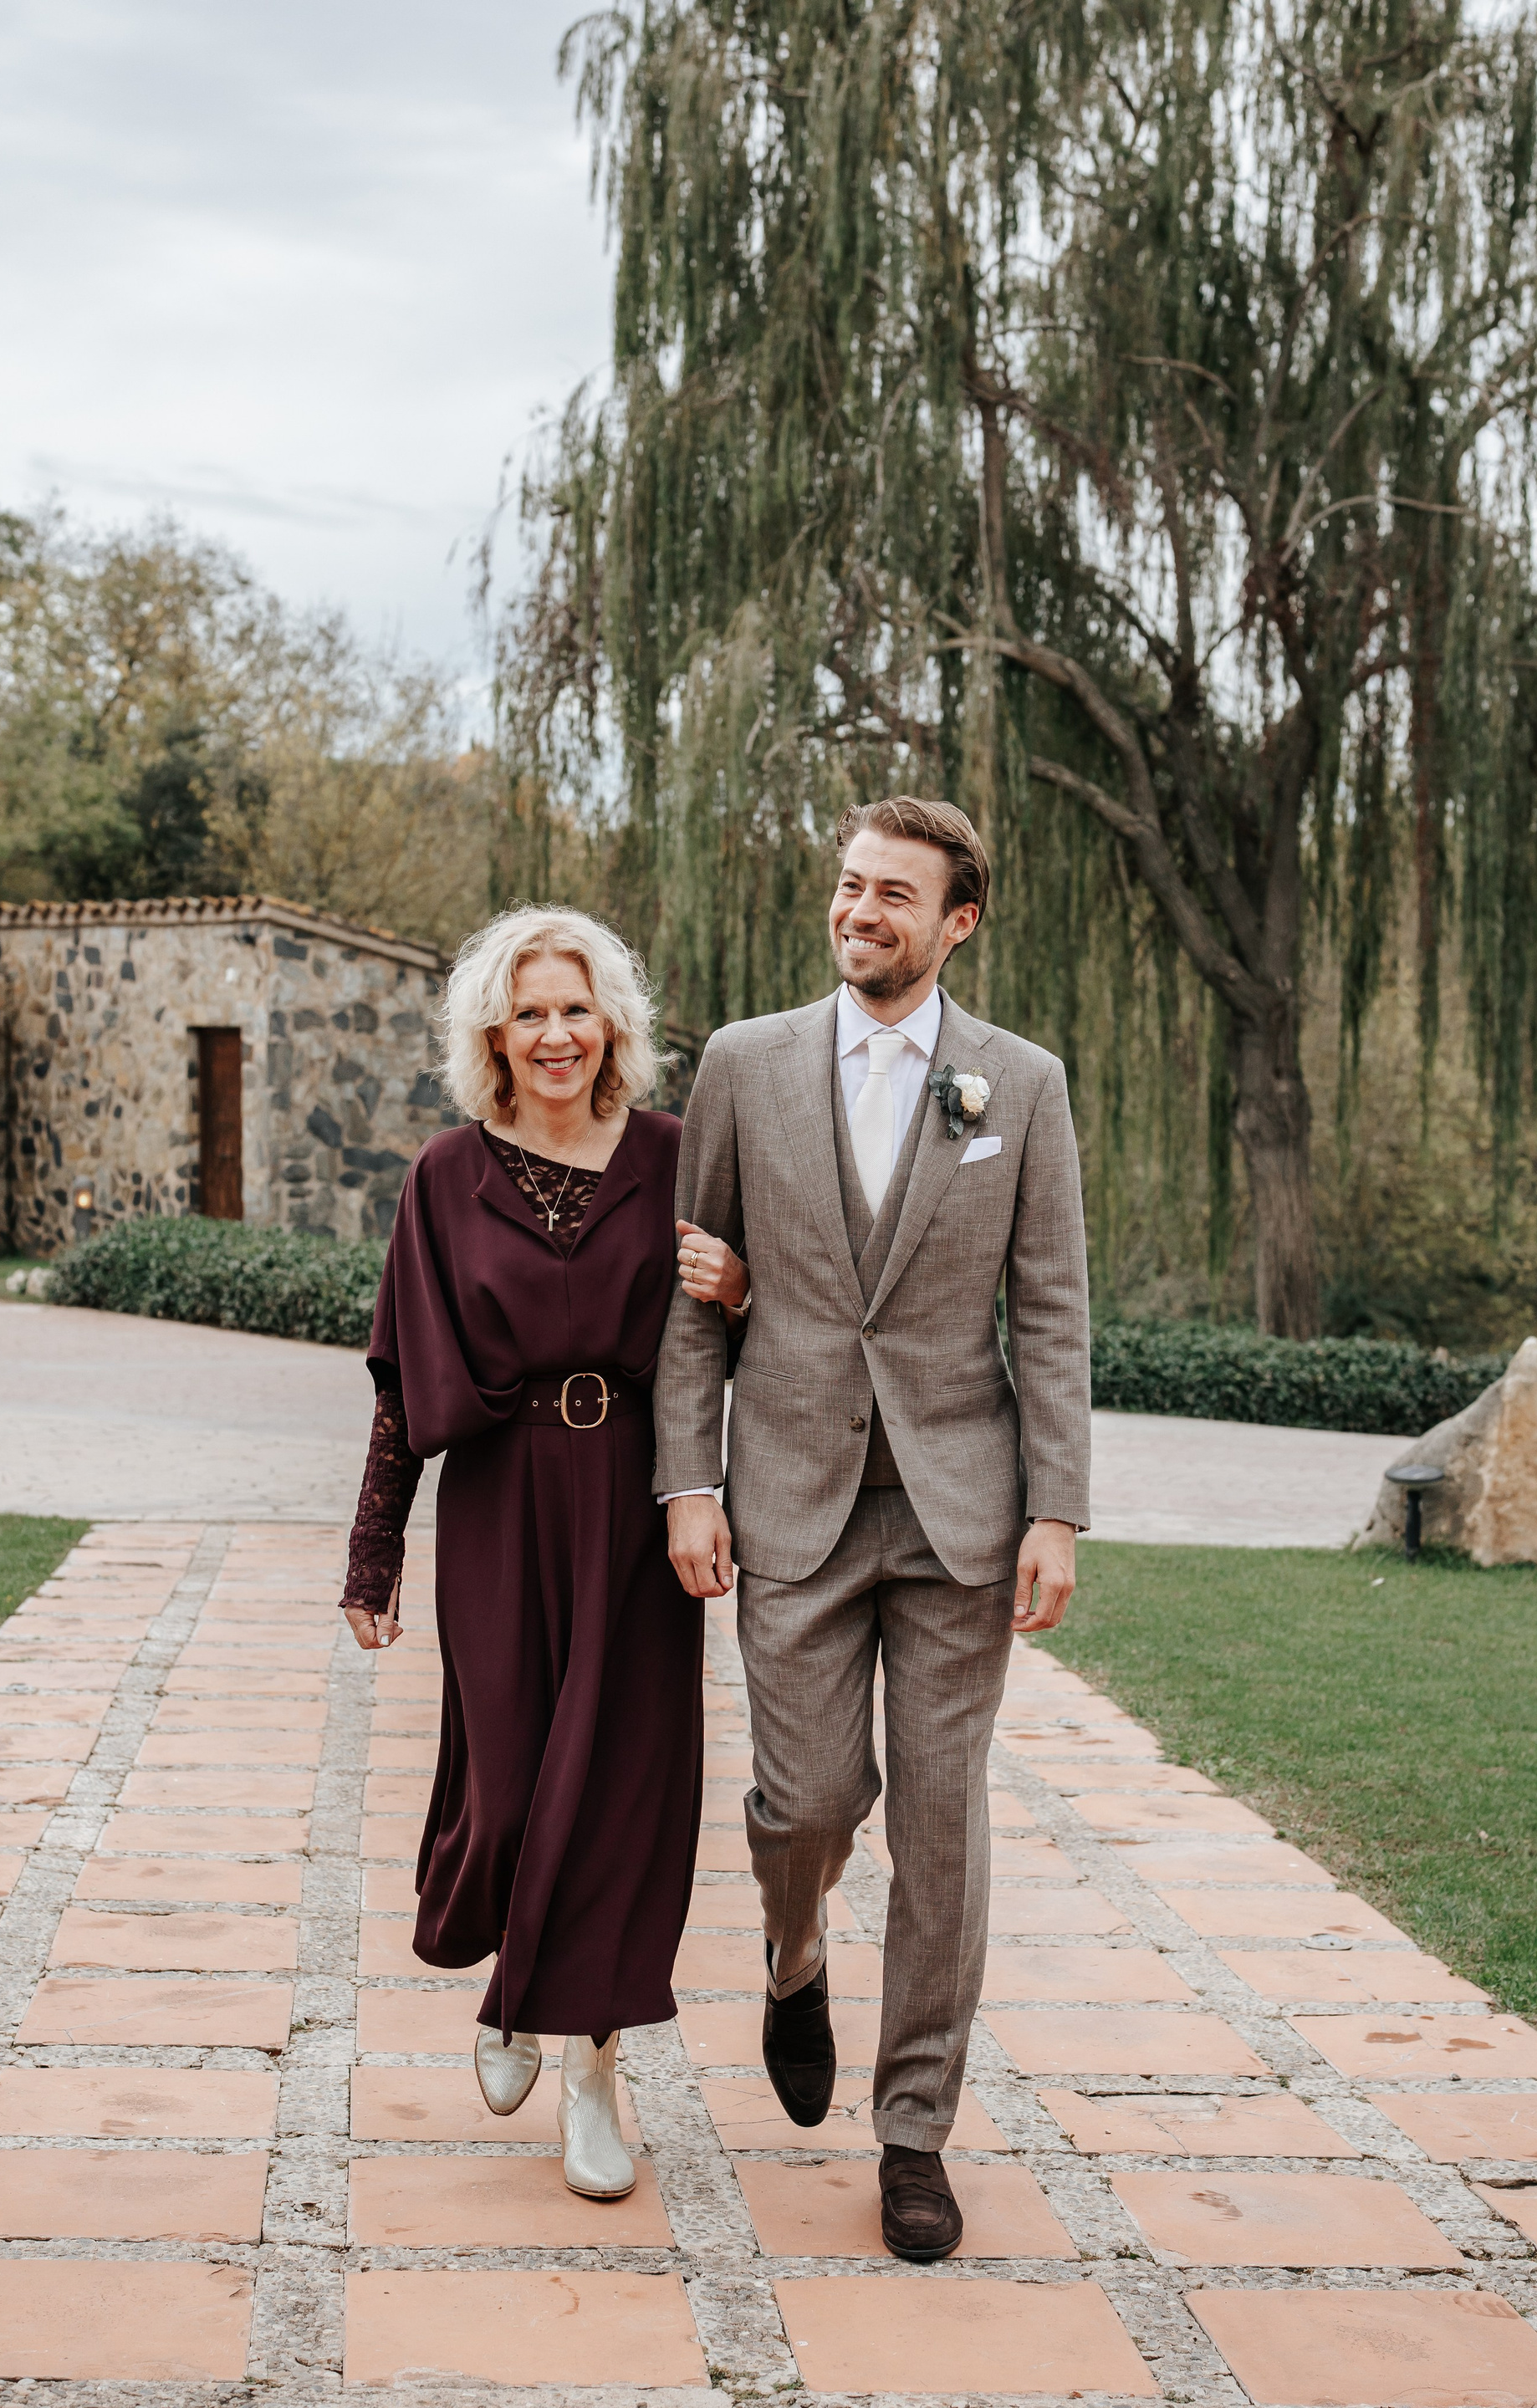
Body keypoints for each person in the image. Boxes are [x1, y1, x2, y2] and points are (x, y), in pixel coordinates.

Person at [654, 797, 1091, 2262]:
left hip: (961, 1509)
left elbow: (1051, 1310)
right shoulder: (744, 1062)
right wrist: (689, 1480)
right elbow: (694, 1285)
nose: (861, 911)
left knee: (942, 1831)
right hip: (791, 1497)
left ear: (958, 922)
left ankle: (915, 2135)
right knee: (809, 1804)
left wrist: (1058, 1510)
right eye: (851, 884)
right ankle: (794, 1949)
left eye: (896, 894)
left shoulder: (1021, 1084)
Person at [339, 905, 747, 2199]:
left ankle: (591, 2077)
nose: (557, 1034)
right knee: (510, 1787)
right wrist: (372, 1553)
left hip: (637, 1503)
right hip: (501, 1502)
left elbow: (743, 1334)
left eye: (577, 1009)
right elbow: (402, 1376)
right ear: (495, 1036)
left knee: (614, 1799)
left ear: (611, 1025)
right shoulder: (443, 1176)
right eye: (531, 1014)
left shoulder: (676, 1157)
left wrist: (739, 1290)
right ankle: (516, 1982)